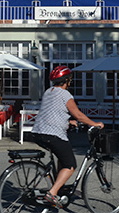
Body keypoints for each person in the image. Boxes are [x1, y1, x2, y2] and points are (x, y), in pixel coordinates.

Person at [31, 66, 104, 208]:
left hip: (38, 132)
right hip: (53, 134)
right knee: (70, 165)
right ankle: (52, 193)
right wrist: (94, 124)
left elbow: (53, 111)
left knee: (62, 157)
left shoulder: (48, 92)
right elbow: (78, 115)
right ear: (67, 81)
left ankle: (58, 187)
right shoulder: (65, 95)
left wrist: (68, 121)